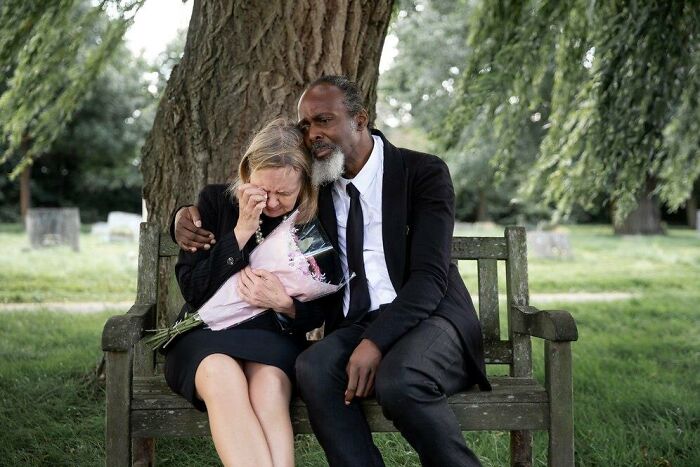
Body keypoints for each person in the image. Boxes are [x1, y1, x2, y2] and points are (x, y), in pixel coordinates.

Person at [174, 76, 491, 467]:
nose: (312, 134)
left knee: (400, 380)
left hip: (430, 314)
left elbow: (429, 279)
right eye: (305, 125)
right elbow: (253, 195)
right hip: (357, 321)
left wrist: (374, 344)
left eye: (323, 120)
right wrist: (183, 217)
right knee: (314, 365)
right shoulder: (316, 189)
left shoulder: (421, 173)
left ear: (359, 119)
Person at [165, 118, 323, 467]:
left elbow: (328, 306)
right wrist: (240, 231)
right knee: (222, 375)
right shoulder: (214, 203)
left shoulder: (311, 223)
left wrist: (285, 304)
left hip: (271, 338)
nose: (272, 202)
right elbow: (194, 292)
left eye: (285, 193)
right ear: (246, 172)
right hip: (205, 335)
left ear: (305, 184)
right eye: (263, 190)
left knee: (268, 386)